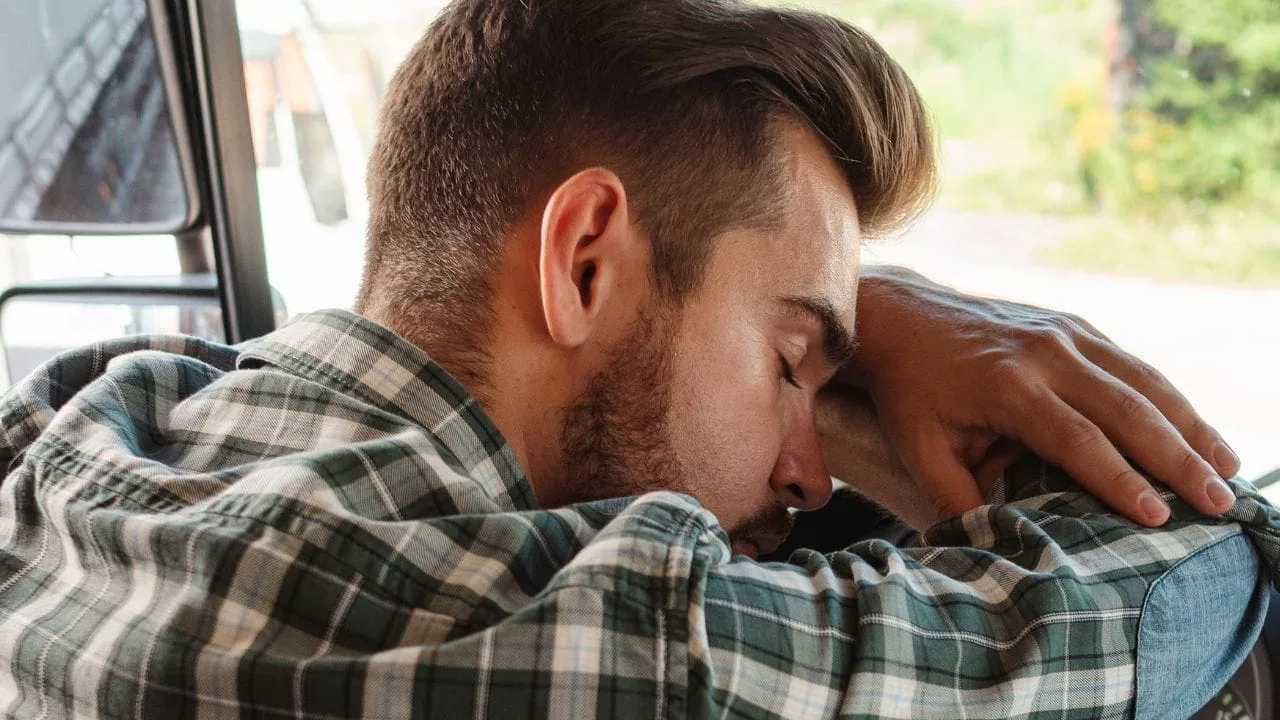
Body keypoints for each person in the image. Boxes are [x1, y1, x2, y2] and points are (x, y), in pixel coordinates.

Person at [0, 1, 1276, 717]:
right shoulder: (587, 642)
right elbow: (1154, 600)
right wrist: (897, 327)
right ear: (583, 262)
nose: (809, 473)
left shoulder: (79, 430)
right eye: (791, 362)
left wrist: (839, 328)